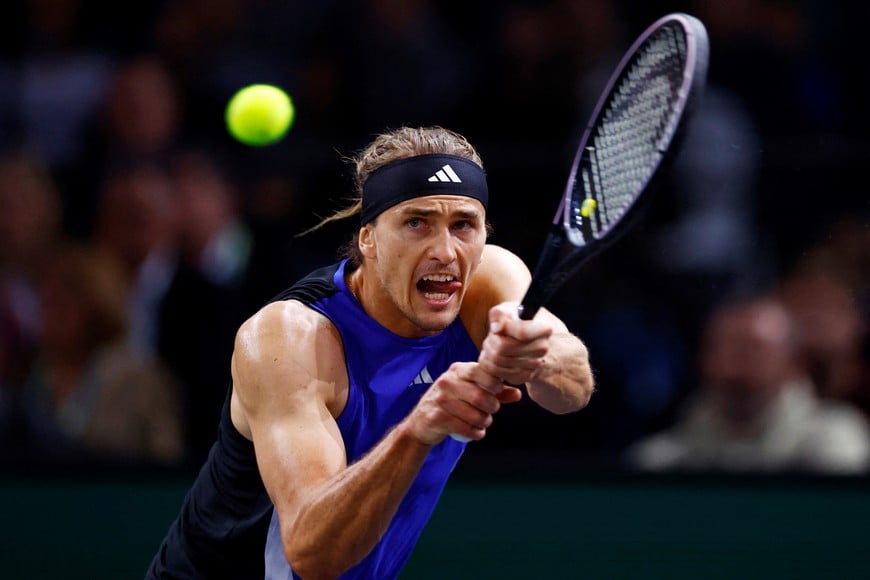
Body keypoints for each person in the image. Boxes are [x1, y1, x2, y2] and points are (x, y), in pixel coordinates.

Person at [147, 126, 595, 578]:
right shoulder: (288, 338)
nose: (445, 251)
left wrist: (536, 358)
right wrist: (418, 428)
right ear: (368, 239)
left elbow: (572, 392)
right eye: (416, 222)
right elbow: (310, 552)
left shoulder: (488, 283)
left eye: (463, 225)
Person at [625, 294, 870, 474]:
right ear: (703, 358)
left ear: (793, 363)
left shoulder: (835, 437)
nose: (735, 359)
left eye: (753, 348)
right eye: (724, 346)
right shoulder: (662, 459)